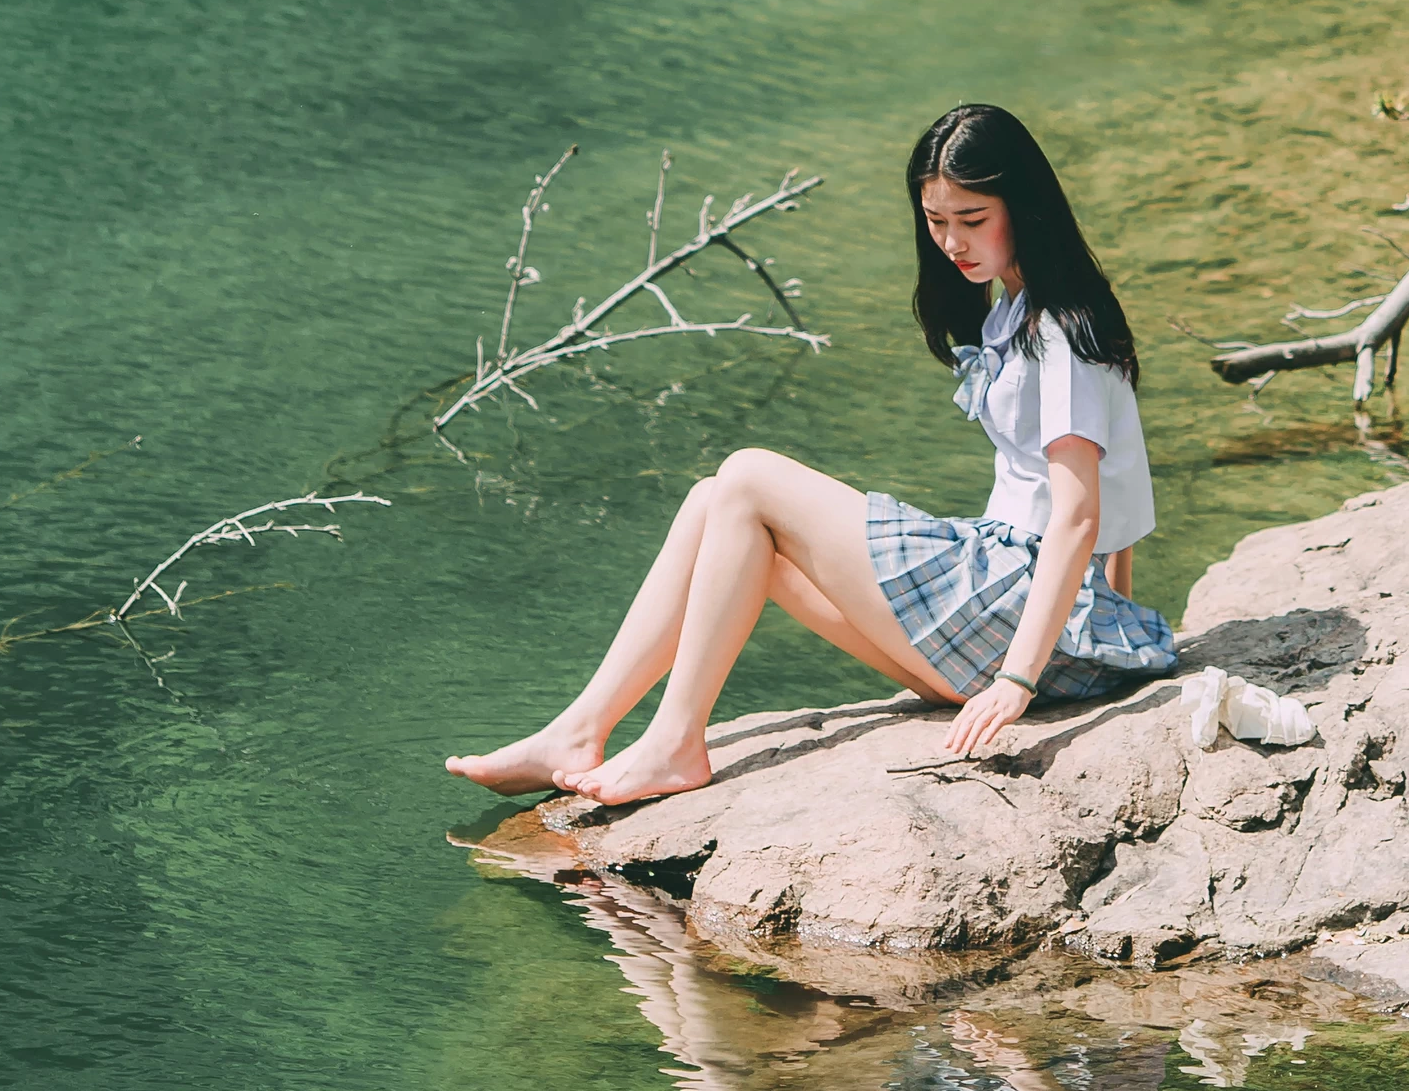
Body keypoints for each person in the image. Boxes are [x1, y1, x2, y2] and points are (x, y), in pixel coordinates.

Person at [445, 100, 1178, 804]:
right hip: (1022, 615)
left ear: (1024, 206)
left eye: (972, 220)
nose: (952, 243)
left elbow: (1080, 517)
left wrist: (1025, 678)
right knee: (715, 506)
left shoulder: (1060, 329)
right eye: (935, 221)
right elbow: (1121, 497)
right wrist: (1110, 619)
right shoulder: (1016, 310)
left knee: (748, 479)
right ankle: (580, 730)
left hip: (1025, 626)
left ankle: (673, 742)